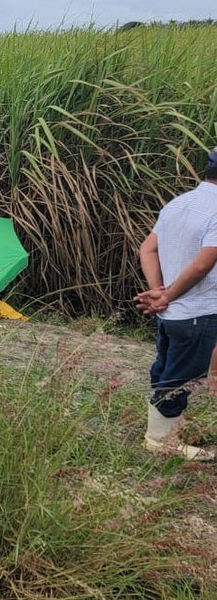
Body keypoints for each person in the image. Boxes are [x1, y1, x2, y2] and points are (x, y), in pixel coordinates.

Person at [134, 147, 217, 461]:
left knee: (167, 369)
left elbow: (147, 250)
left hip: (170, 313)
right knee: (185, 375)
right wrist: (167, 295)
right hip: (197, 311)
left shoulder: (177, 204)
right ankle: (160, 440)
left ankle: (163, 431)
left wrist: (159, 292)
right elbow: (201, 266)